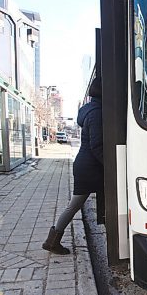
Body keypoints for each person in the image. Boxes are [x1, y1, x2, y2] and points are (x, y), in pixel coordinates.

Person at [42, 77, 104, 254]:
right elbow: (97, 145)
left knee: (75, 204)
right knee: (74, 205)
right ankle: (52, 241)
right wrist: (112, 165)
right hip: (90, 168)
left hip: (86, 166)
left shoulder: (91, 110)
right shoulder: (97, 113)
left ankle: (52, 240)